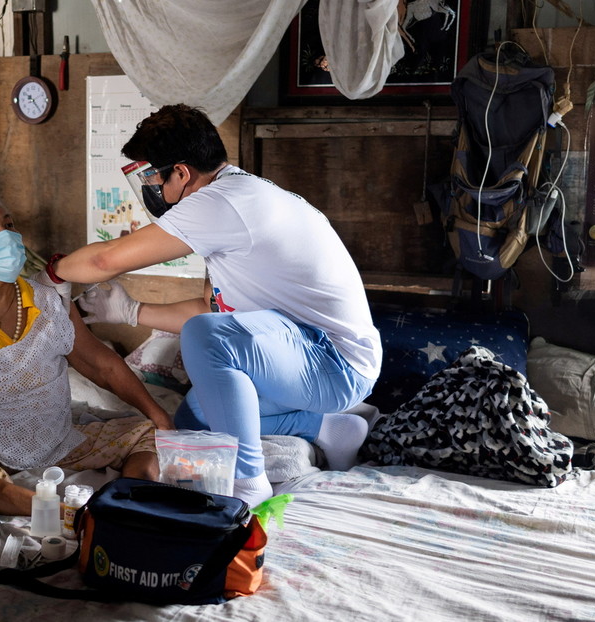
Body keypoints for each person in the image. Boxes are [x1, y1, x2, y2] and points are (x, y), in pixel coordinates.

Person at [39, 104, 382, 508]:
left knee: (205, 341)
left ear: (181, 173)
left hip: (334, 363)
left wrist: (53, 273)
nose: (154, 191)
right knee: (195, 422)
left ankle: (248, 482)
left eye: (153, 178)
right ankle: (329, 428)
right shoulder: (240, 195)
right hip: (302, 356)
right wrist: (131, 311)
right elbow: (212, 311)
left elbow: (104, 260)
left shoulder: (222, 202)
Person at [0, 192, 172, 518]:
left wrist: (158, 415)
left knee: (146, 433)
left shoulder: (47, 302)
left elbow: (101, 364)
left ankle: (129, 502)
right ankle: (67, 516)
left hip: (52, 442)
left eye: (9, 225)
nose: (8, 236)